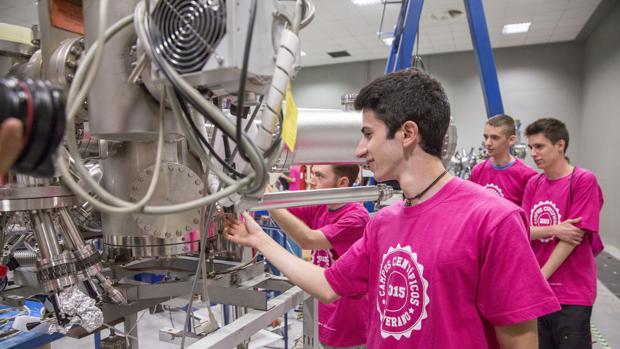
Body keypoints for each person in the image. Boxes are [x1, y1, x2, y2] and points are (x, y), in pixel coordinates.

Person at [225, 69, 560, 348]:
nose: (359, 150)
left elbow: (518, 337)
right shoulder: (382, 223)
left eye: (368, 134)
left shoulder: (493, 218)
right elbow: (328, 285)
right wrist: (260, 240)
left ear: (407, 133)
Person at [522, 118, 604, 349]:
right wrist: (554, 229)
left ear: (560, 145)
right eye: (530, 147)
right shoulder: (534, 183)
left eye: (539, 146)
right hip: (540, 292)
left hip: (572, 293)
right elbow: (522, 231)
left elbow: (573, 238)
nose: (534, 153)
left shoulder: (582, 180)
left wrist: (539, 278)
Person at [267, 164, 369, 348]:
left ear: (342, 182)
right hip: (323, 313)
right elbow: (285, 209)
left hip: (348, 324)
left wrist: (264, 196)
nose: (310, 181)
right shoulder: (321, 207)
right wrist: (263, 183)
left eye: (319, 176)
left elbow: (308, 240)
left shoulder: (356, 219)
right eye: (312, 173)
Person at [470, 114, 537, 206]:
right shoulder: (477, 171)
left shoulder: (527, 176)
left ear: (511, 140)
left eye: (495, 138)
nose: (488, 143)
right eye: (486, 137)